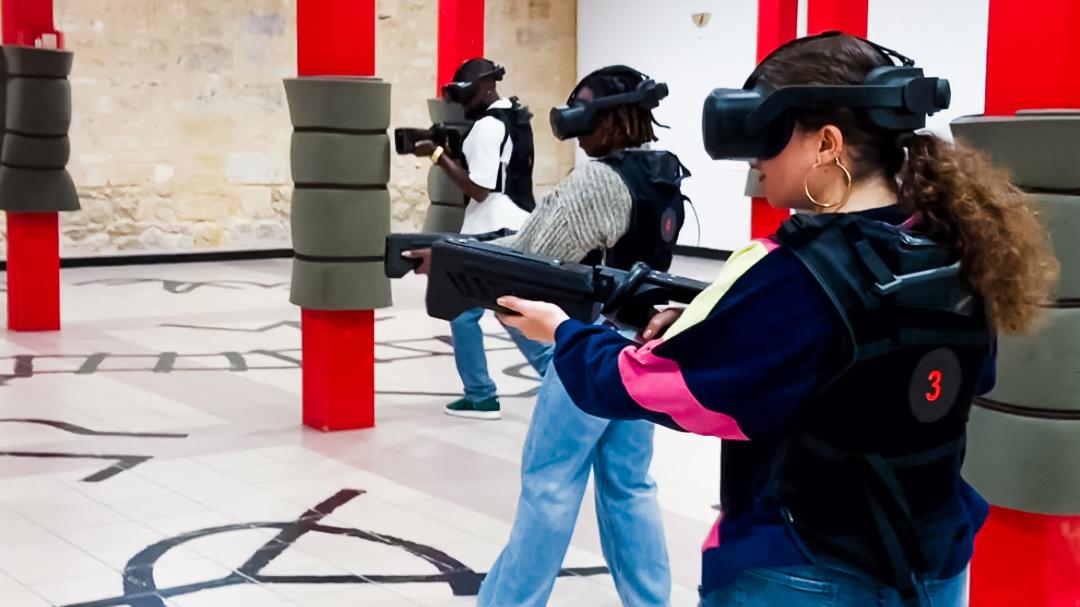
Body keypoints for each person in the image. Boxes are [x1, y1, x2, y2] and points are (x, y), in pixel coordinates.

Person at [498, 33, 1058, 607]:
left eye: (769, 137)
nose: (756, 160)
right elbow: (924, 368)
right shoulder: (951, 247)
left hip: (805, 571)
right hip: (934, 564)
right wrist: (715, 321)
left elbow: (660, 386)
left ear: (827, 144)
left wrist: (562, 333)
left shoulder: (793, 273)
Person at [473, 65, 687, 607]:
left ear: (602, 117)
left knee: (549, 486)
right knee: (629, 488)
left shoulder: (600, 179)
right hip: (643, 348)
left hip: (590, 349)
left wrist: (454, 259)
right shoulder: (663, 173)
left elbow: (533, 257)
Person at [412, 58, 547, 420]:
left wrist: (438, 156)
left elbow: (481, 189)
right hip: (515, 224)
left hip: (490, 232)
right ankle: (484, 391)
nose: (463, 100)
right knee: (487, 311)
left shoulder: (487, 127)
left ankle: (539, 382)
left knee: (497, 312)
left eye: (466, 91)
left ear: (487, 87)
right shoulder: (517, 119)